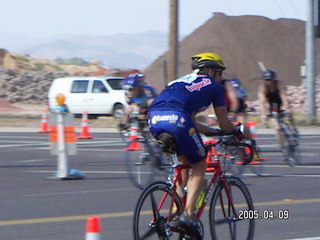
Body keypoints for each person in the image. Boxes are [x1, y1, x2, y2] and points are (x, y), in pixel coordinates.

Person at [148, 52, 244, 232]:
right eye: (220, 73)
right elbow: (224, 121)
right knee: (200, 164)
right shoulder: (213, 86)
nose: (221, 78)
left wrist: (216, 132)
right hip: (179, 119)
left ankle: (176, 213)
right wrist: (236, 134)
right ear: (211, 71)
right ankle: (188, 215)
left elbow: (191, 121)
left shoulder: (180, 81)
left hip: (154, 119)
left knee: (183, 164)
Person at [258, 69, 294, 157]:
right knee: (277, 128)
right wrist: (263, 115)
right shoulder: (263, 87)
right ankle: (283, 148)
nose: (269, 82)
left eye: (270, 79)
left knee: (289, 114)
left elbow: (283, 96)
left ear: (274, 79)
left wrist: (286, 108)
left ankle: (294, 130)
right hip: (272, 106)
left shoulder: (279, 84)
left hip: (280, 103)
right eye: (267, 80)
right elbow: (262, 102)